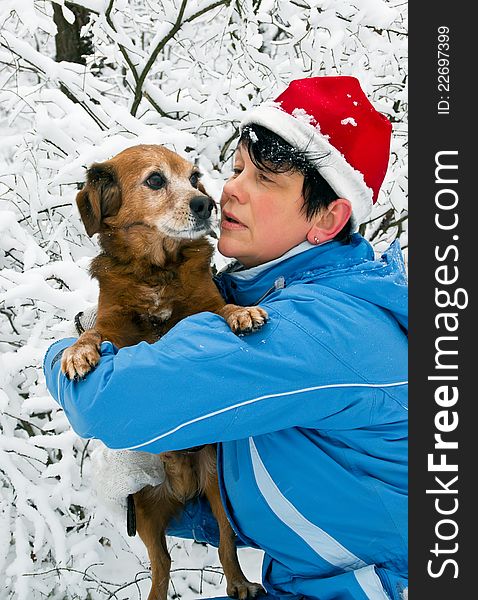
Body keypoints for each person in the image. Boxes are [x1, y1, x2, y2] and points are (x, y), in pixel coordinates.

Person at [44, 76, 408, 600]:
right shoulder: (262, 296)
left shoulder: (321, 328)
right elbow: (289, 481)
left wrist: (64, 350)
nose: (227, 189)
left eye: (263, 179)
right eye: (235, 168)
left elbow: (107, 402)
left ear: (329, 219)